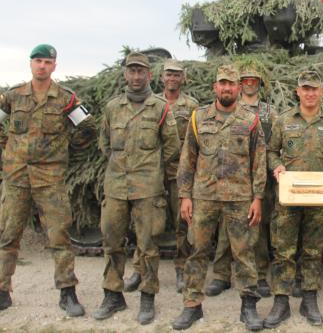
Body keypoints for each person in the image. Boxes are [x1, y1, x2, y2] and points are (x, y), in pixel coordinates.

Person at [0, 44, 96, 319]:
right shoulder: (13, 96)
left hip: (50, 179)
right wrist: (8, 145)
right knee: (8, 236)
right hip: (17, 178)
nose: (42, 66)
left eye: (47, 61)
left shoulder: (66, 99)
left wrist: (64, 148)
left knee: (59, 236)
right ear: (30, 64)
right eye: (38, 61)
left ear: (54, 66)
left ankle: (67, 292)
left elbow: (88, 128)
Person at [172, 65, 267, 331]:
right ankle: (192, 306)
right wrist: (184, 196)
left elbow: (259, 161)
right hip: (204, 197)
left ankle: (248, 308)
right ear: (215, 87)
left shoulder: (250, 119)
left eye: (231, 84)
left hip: (239, 198)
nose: (226, 88)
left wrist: (258, 197)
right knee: (197, 251)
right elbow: (187, 159)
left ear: (238, 88)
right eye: (222, 83)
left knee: (244, 252)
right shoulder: (198, 117)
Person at [93, 52, 180, 325]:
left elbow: (172, 147)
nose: (136, 76)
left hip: (148, 188)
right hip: (116, 185)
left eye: (141, 71)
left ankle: (147, 297)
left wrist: (152, 171)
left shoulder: (161, 107)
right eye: (131, 71)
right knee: (111, 241)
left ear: (149, 75)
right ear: (125, 74)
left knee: (148, 244)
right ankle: (112, 294)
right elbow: (105, 144)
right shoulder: (112, 107)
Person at [263, 71, 323, 328]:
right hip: (288, 196)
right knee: (283, 250)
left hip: (319, 198)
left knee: (313, 250)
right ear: (297, 91)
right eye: (305, 89)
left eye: (314, 89)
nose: (310, 93)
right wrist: (276, 167)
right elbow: (271, 151)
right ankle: (281, 301)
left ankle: (309, 299)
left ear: (321, 92)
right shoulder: (284, 120)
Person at [125, 59, 199, 294]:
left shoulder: (191, 105)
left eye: (177, 75)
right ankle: (140, 269)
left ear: (183, 78)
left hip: (180, 172)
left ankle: (181, 267)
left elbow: (196, 141)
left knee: (181, 221)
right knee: (146, 224)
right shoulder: (151, 103)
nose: (172, 79)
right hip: (151, 172)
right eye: (169, 74)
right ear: (161, 77)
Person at [206, 62, 275, 298]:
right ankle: (221, 275)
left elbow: (272, 145)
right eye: (245, 80)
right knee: (225, 230)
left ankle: (260, 275)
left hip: (255, 178)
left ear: (260, 84)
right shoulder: (224, 108)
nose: (249, 84)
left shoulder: (267, 112)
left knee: (257, 230)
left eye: (254, 80)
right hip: (224, 177)